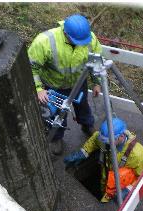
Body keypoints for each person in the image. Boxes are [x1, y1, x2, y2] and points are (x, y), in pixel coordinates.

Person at [28, 14, 102, 155]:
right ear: (65, 33)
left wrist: (97, 82)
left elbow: (96, 61)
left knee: (83, 106)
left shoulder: (90, 38)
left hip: (78, 83)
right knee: (56, 114)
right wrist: (38, 89)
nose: (80, 44)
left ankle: (87, 125)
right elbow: (31, 67)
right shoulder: (45, 42)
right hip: (53, 86)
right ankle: (57, 137)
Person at [64, 118, 143, 203]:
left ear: (121, 136)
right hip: (105, 178)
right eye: (104, 140)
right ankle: (103, 193)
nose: (105, 144)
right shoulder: (106, 139)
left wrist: (129, 190)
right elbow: (95, 139)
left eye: (108, 142)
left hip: (118, 186)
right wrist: (83, 152)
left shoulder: (137, 155)